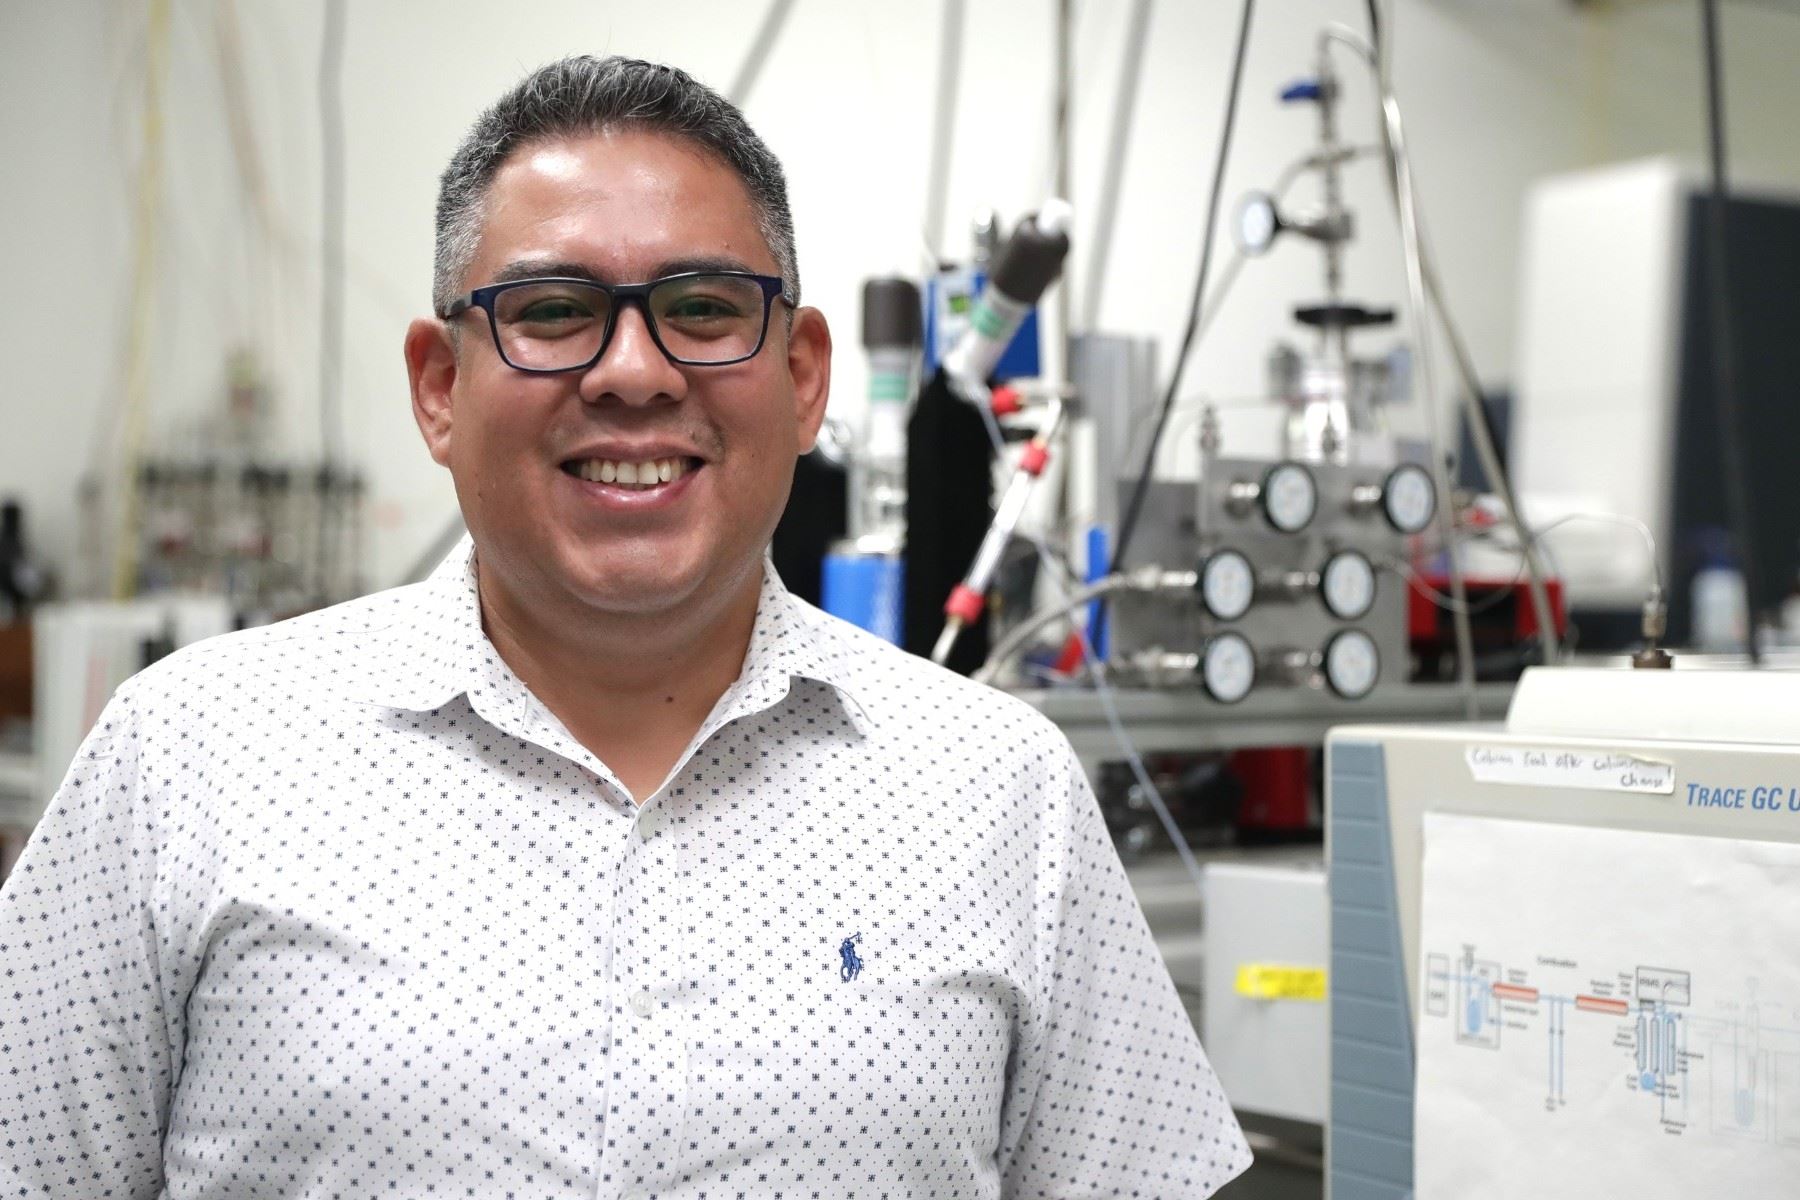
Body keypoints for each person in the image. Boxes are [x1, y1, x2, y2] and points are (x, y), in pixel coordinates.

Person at [0, 56, 1250, 1198]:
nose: (637, 373)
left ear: (805, 376)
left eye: (705, 308)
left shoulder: (998, 790)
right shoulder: (189, 755)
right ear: (441, 388)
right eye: (552, 310)